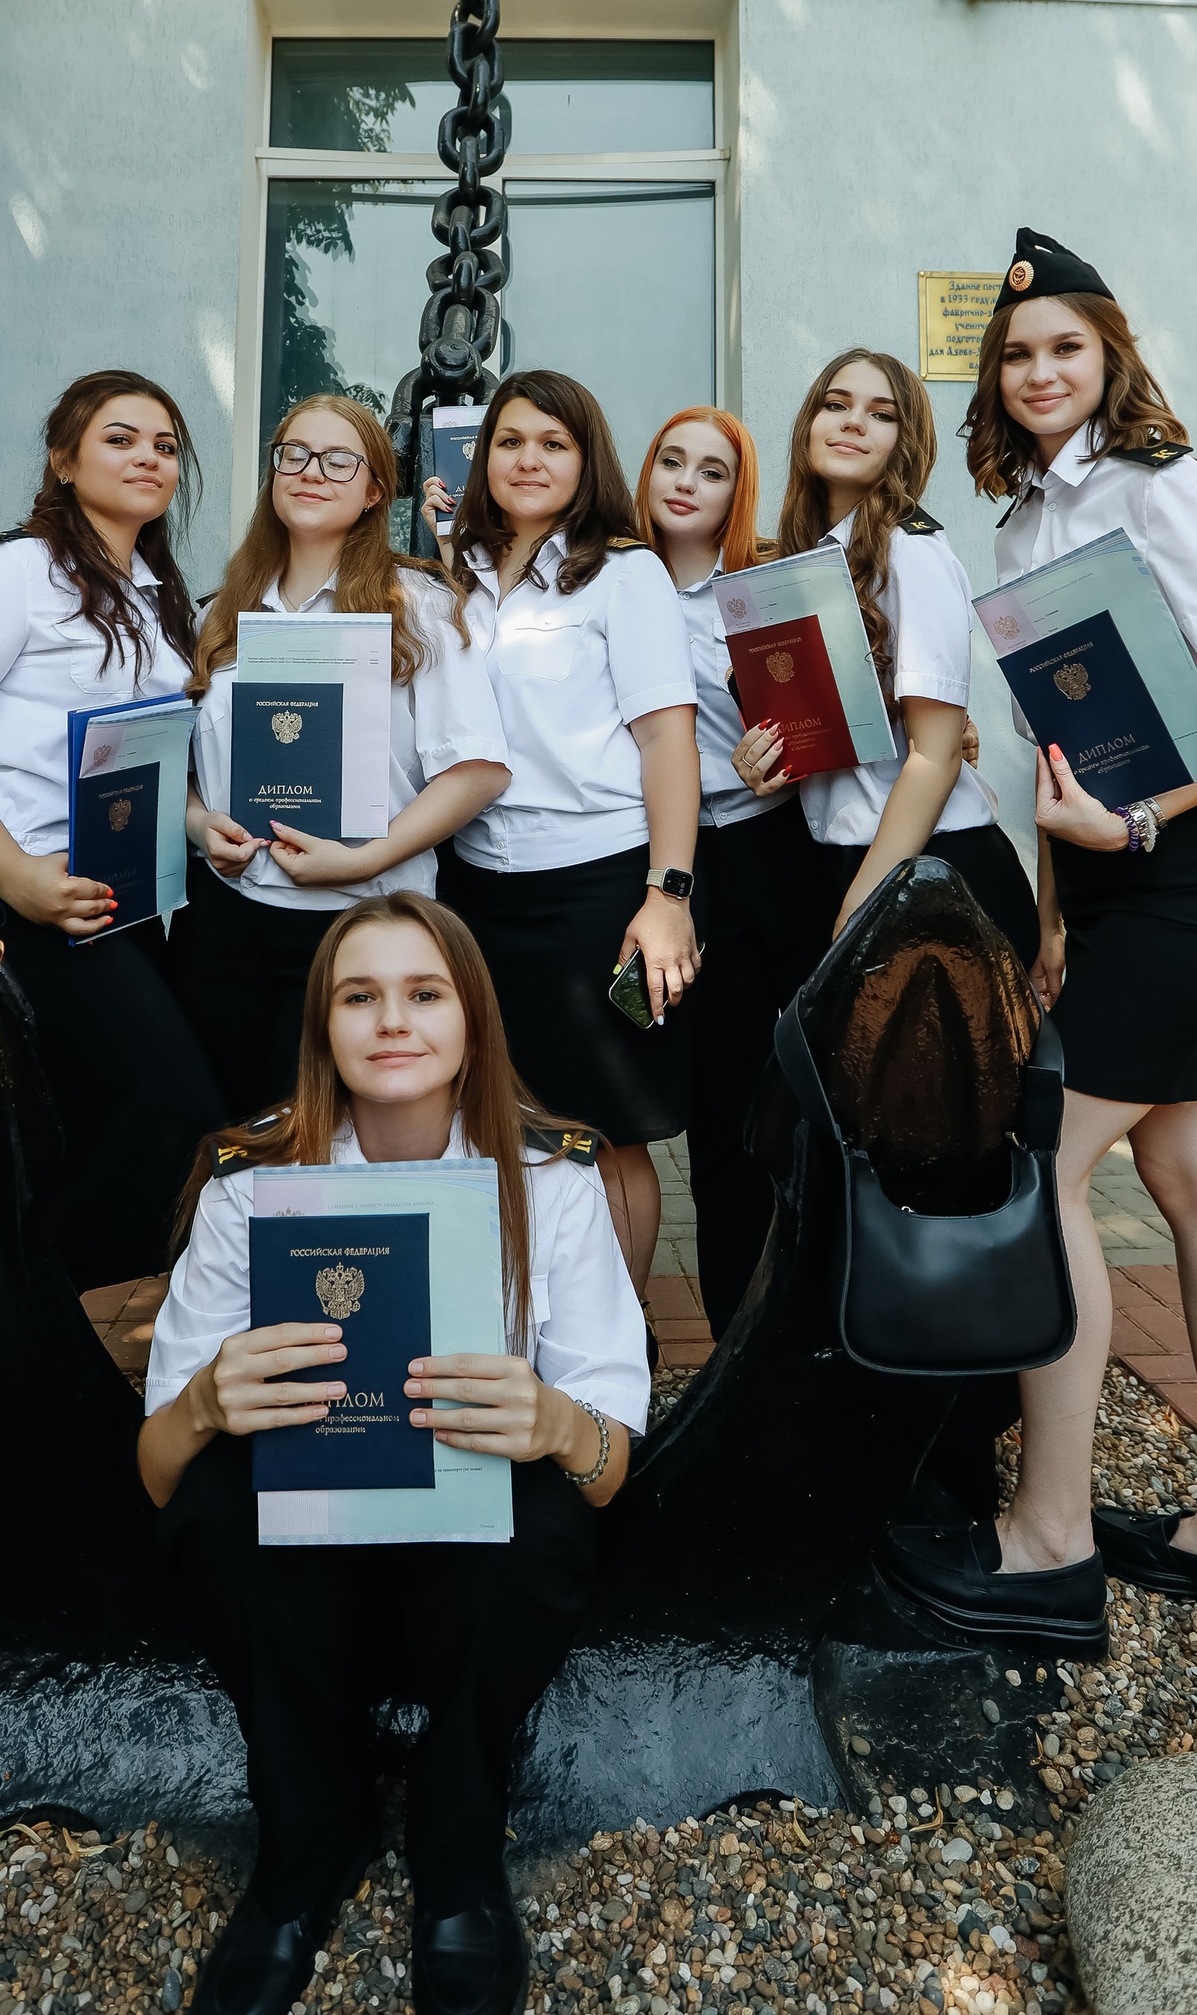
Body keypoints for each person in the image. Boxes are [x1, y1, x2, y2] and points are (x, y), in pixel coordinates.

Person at [875, 229, 1197, 1657]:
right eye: (1017, 353)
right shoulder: (1019, 524)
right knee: (1195, 1181)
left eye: (1066, 345)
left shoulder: (1163, 486)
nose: (1040, 369)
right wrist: (1062, 915)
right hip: (1116, 884)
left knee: (1042, 1162)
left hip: (1194, 872)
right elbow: (1066, 745)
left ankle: (1050, 1537)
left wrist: (1130, 829)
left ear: (1110, 355)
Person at [141, 893, 648, 2015]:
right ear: (323, 1026)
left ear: (473, 1018)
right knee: (214, 1499)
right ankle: (303, 1847)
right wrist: (206, 1400)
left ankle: (458, 1859)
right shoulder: (251, 1184)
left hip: (468, 1559)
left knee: (542, 1513)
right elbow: (157, 1471)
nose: (392, 1021)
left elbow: (609, 1470)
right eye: (358, 995)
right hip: (312, 1556)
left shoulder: (555, 1179)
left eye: (425, 992)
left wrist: (556, 1420)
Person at [0, 370, 221, 1285]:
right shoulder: (10, 573)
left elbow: (147, 756)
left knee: (103, 1129)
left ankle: (19, 1309)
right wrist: (16, 875)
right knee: (169, 1113)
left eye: (166, 445)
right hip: (35, 905)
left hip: (128, 903)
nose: (149, 457)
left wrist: (197, 826)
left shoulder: (157, 595)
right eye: (121, 438)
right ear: (63, 460)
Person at [426, 370, 702, 1303]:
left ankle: (620, 1342)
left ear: (588, 461)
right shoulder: (455, 573)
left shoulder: (626, 573)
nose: (528, 459)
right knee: (496, 1126)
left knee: (606, 1134)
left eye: (554, 443)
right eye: (509, 441)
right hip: (474, 891)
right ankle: (525, 1325)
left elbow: (667, 739)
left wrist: (667, 895)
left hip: (597, 888)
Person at [165, 396, 511, 1120]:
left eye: (338, 460)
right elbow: (185, 772)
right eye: (293, 454)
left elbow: (477, 771)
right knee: (219, 1134)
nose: (311, 472)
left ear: (375, 490)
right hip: (226, 923)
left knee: (328, 1141)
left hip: (365, 925)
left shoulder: (417, 607)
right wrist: (200, 827)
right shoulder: (219, 614)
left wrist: (364, 859)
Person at [731, 349, 1039, 967]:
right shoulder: (804, 561)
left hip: (927, 868)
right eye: (836, 405)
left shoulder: (912, 551)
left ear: (906, 443)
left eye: (881, 414)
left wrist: (861, 906)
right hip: (842, 860)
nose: (852, 421)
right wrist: (762, 764)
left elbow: (936, 754)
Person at [634, 404, 831, 1335]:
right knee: (705, 1118)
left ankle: (786, 1334)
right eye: (671, 461)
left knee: (766, 1111)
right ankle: (728, 1345)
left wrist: (789, 756)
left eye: (711, 470)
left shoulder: (764, 590)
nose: (686, 482)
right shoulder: (610, 579)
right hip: (657, 860)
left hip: (762, 856)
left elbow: (834, 725)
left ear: (737, 490)